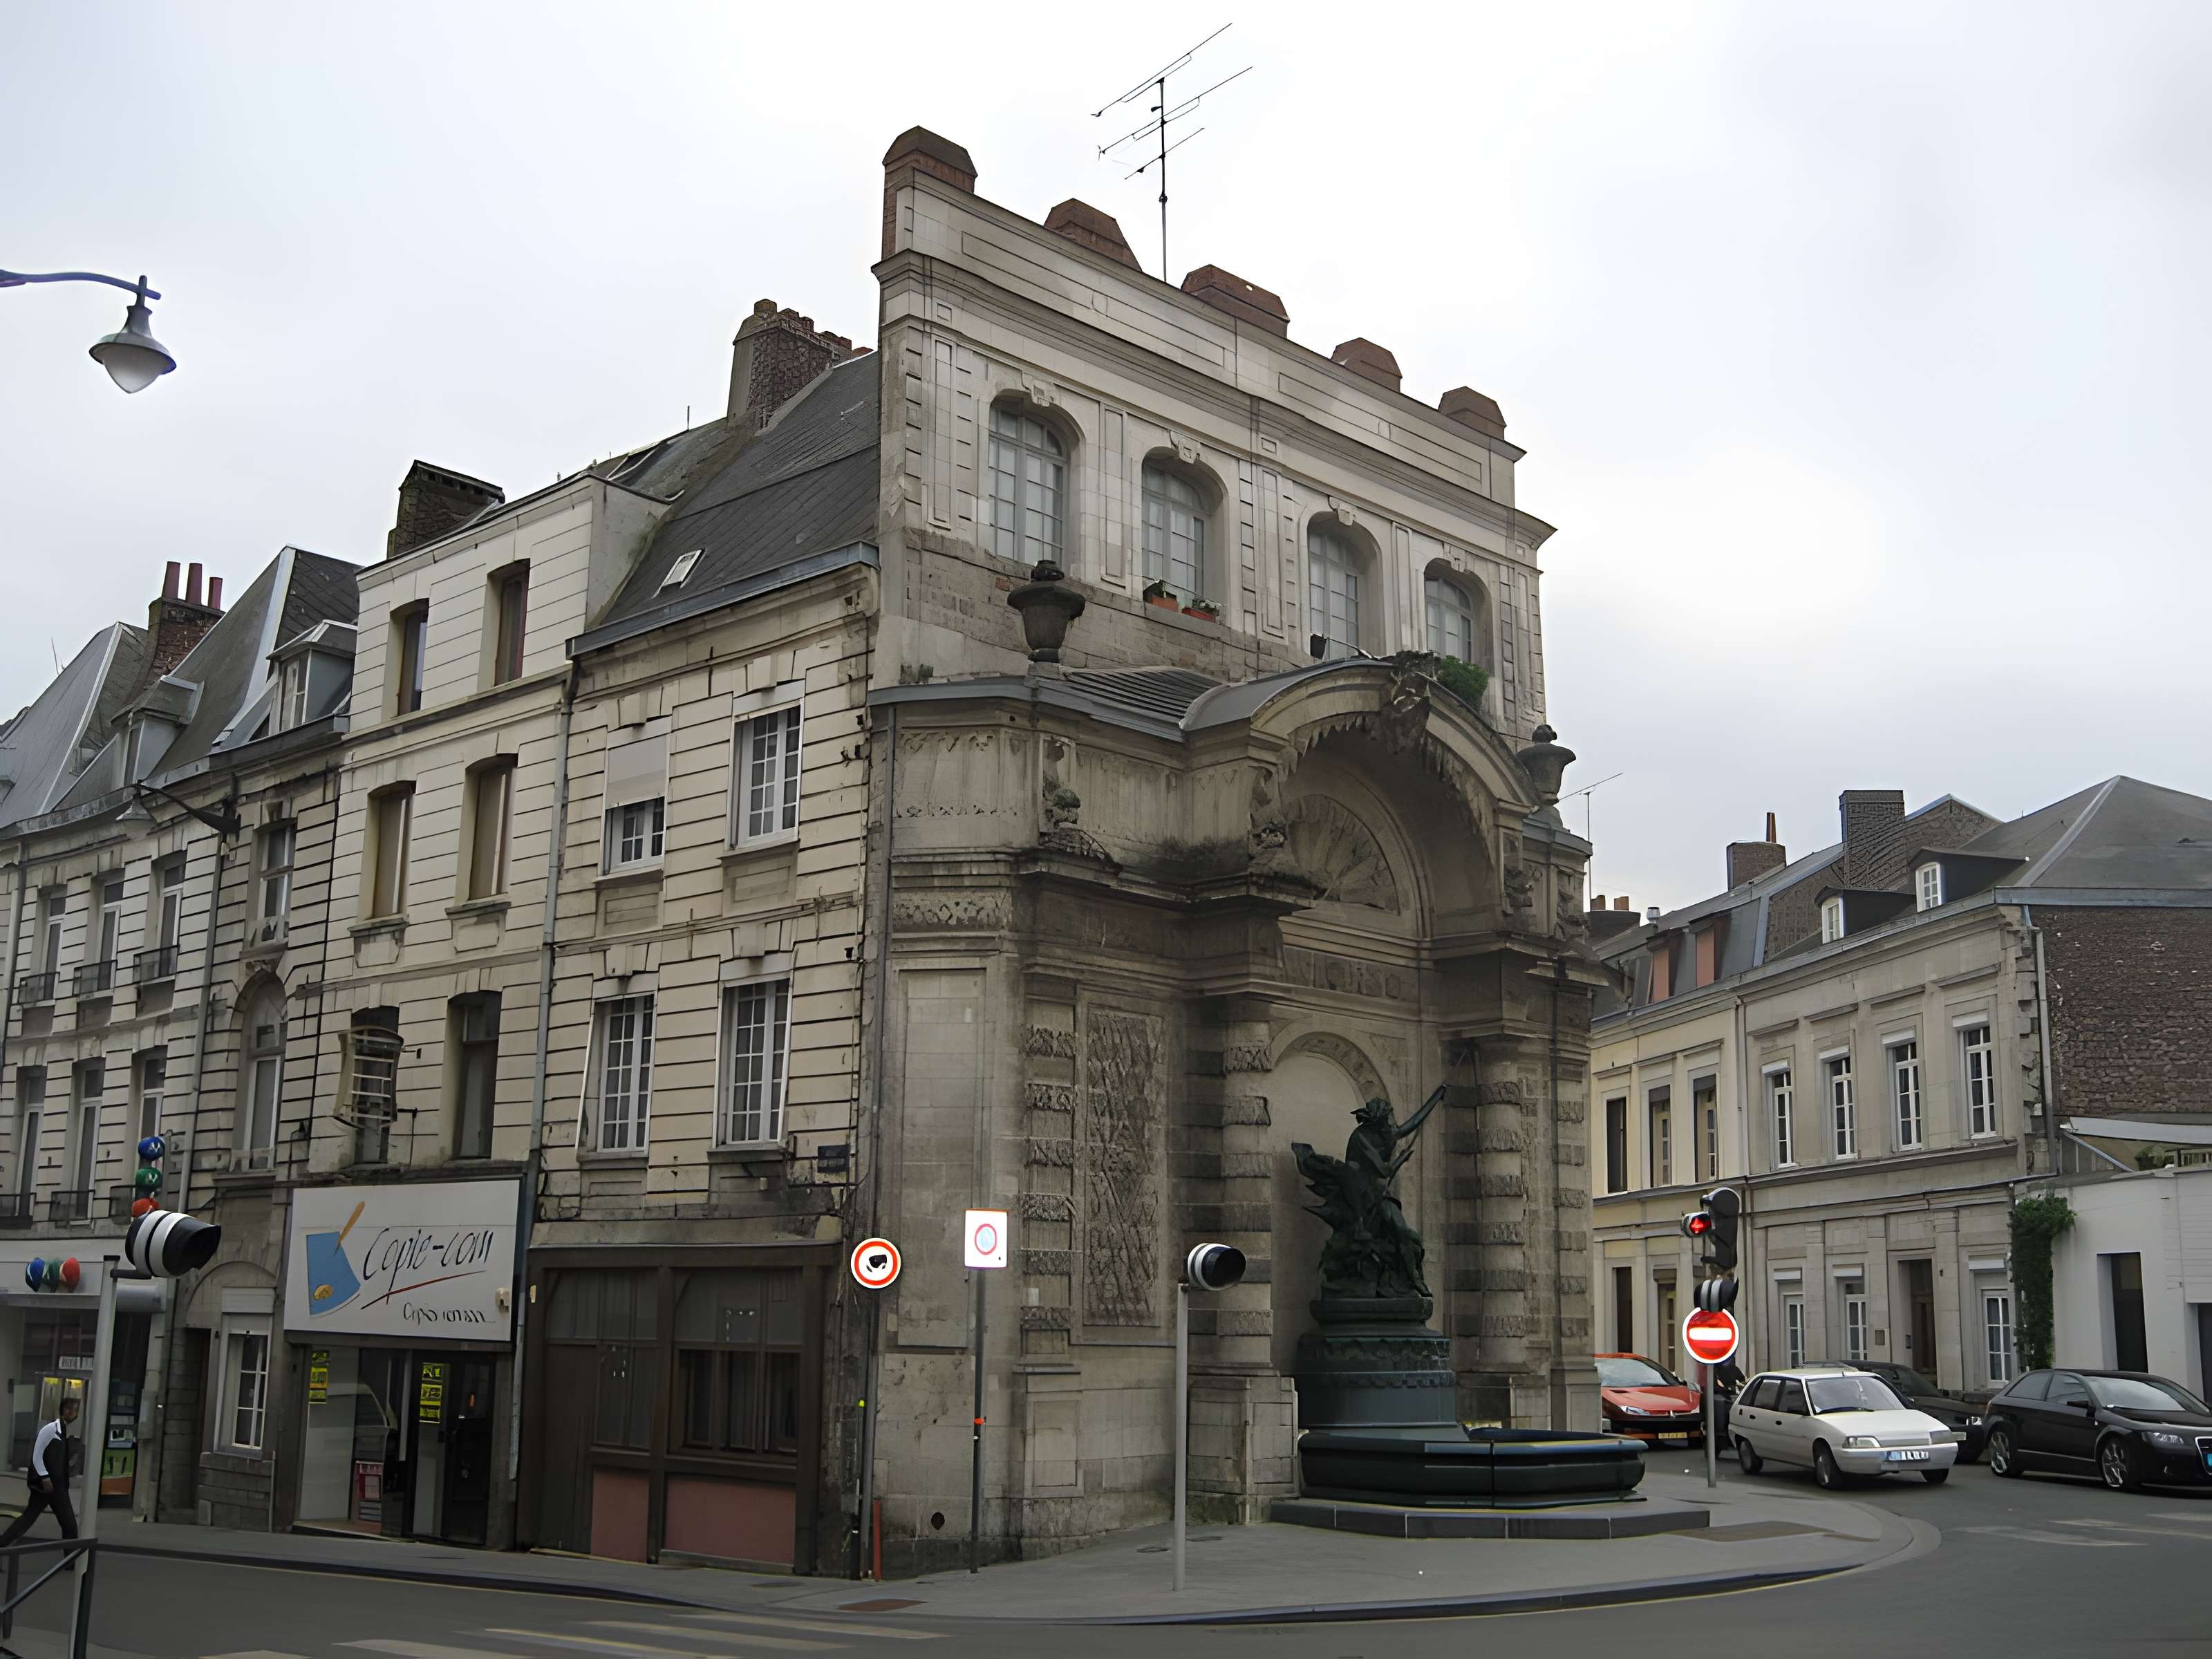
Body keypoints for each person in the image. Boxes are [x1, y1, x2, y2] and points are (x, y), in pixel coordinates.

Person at [0, 1396, 79, 1545]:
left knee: (68, 1525)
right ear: (62, 1410)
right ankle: (3, 1544)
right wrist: (45, 1477)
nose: (72, 1412)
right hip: (48, 1486)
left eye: (75, 1410)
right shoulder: (51, 1429)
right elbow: (37, 1454)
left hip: (57, 1487)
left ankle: (70, 1563)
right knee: (31, 1520)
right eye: (69, 1409)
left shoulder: (62, 1431)